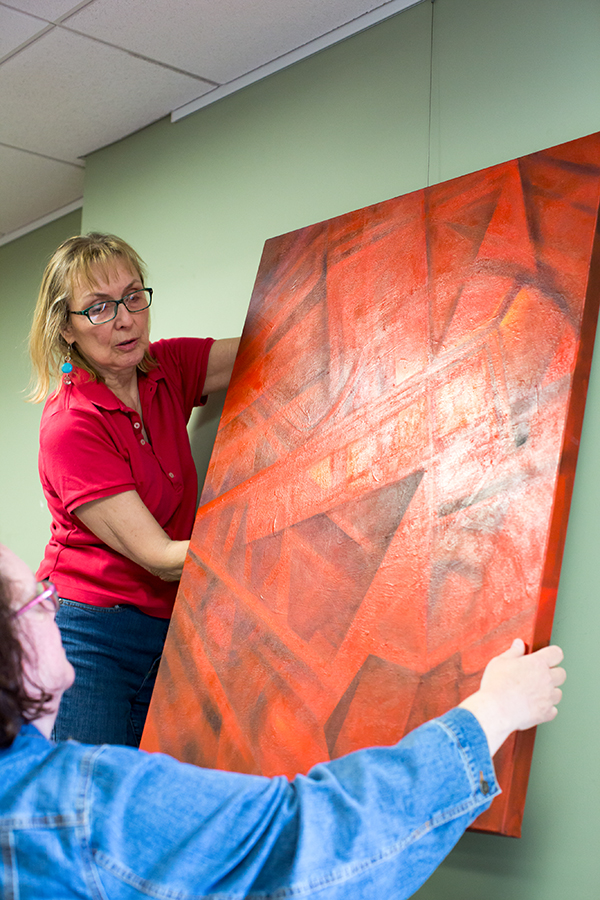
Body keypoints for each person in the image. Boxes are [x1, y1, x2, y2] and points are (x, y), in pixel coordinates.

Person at [0, 543, 566, 900]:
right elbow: (310, 844)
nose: (56, 607)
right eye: (39, 600)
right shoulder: (79, 807)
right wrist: (495, 711)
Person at [28, 232, 240, 746]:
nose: (125, 319)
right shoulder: (71, 425)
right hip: (85, 635)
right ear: (66, 328)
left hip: (168, 629)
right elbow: (161, 557)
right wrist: (263, 544)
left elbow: (276, 342)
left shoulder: (167, 369)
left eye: (133, 296)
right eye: (98, 308)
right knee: (87, 809)